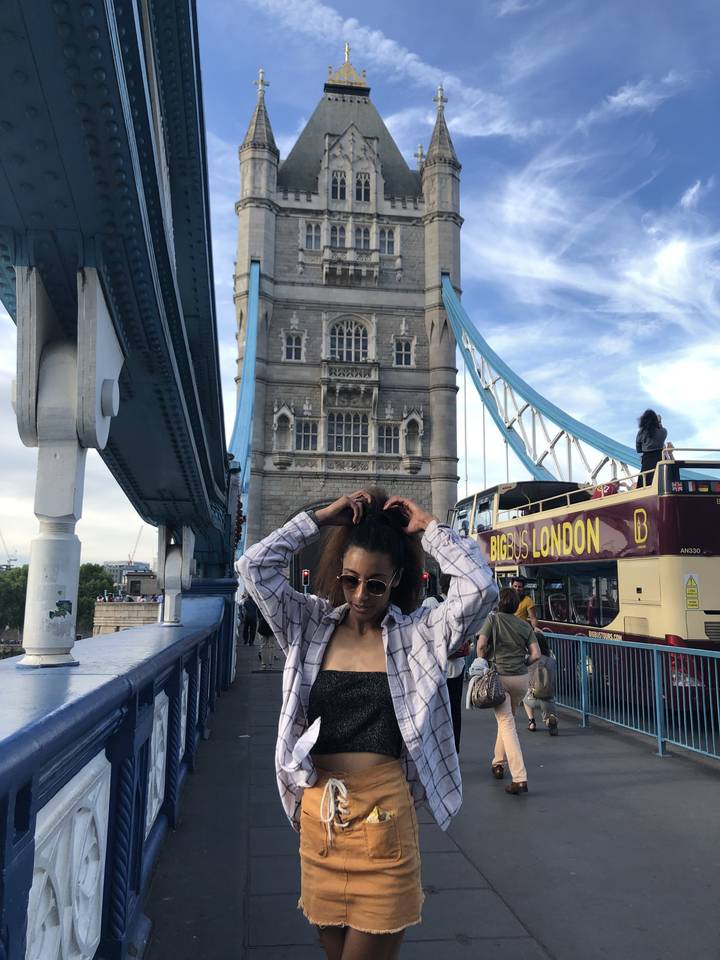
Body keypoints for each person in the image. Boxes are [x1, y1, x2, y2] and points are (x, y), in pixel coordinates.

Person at [236, 489, 496, 959]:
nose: (361, 595)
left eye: (376, 584)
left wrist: (432, 530)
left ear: (396, 580)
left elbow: (480, 588)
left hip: (384, 817)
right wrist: (317, 519)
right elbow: (253, 567)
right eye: (351, 580)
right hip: (321, 821)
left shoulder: (419, 635)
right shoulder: (308, 624)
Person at [476, 588, 540, 795]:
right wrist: (524, 662)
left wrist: (482, 661)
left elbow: (481, 645)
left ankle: (519, 777)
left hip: (500, 677)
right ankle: (497, 762)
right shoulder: (524, 625)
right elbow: (536, 655)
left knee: (506, 724)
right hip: (521, 678)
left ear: (498, 604)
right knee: (507, 720)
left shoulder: (492, 620)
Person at [423, 574, 465, 754]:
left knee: (433, 711)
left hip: (435, 667)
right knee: (455, 710)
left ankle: (436, 750)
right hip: (457, 665)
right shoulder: (461, 605)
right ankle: (454, 749)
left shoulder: (431, 603)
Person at [522, 632, 559, 736]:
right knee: (548, 704)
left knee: (525, 693)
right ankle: (549, 720)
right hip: (548, 696)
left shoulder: (528, 659)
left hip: (531, 698)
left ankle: (531, 722)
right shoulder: (551, 661)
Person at [635, 409, 668, 487]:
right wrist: (659, 422)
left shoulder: (641, 432)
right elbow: (661, 430)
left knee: (644, 485)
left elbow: (638, 449)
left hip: (647, 461)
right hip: (661, 458)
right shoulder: (663, 431)